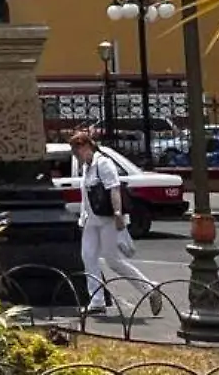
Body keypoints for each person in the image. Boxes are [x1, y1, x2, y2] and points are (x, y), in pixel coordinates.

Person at [69, 130, 160, 318]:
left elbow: (114, 188)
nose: (76, 156)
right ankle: (97, 302)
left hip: (107, 219)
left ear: (86, 146)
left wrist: (118, 214)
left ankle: (150, 289)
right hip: (91, 219)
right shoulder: (87, 166)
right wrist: (83, 218)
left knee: (113, 260)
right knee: (88, 257)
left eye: (77, 151)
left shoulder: (103, 163)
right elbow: (86, 195)